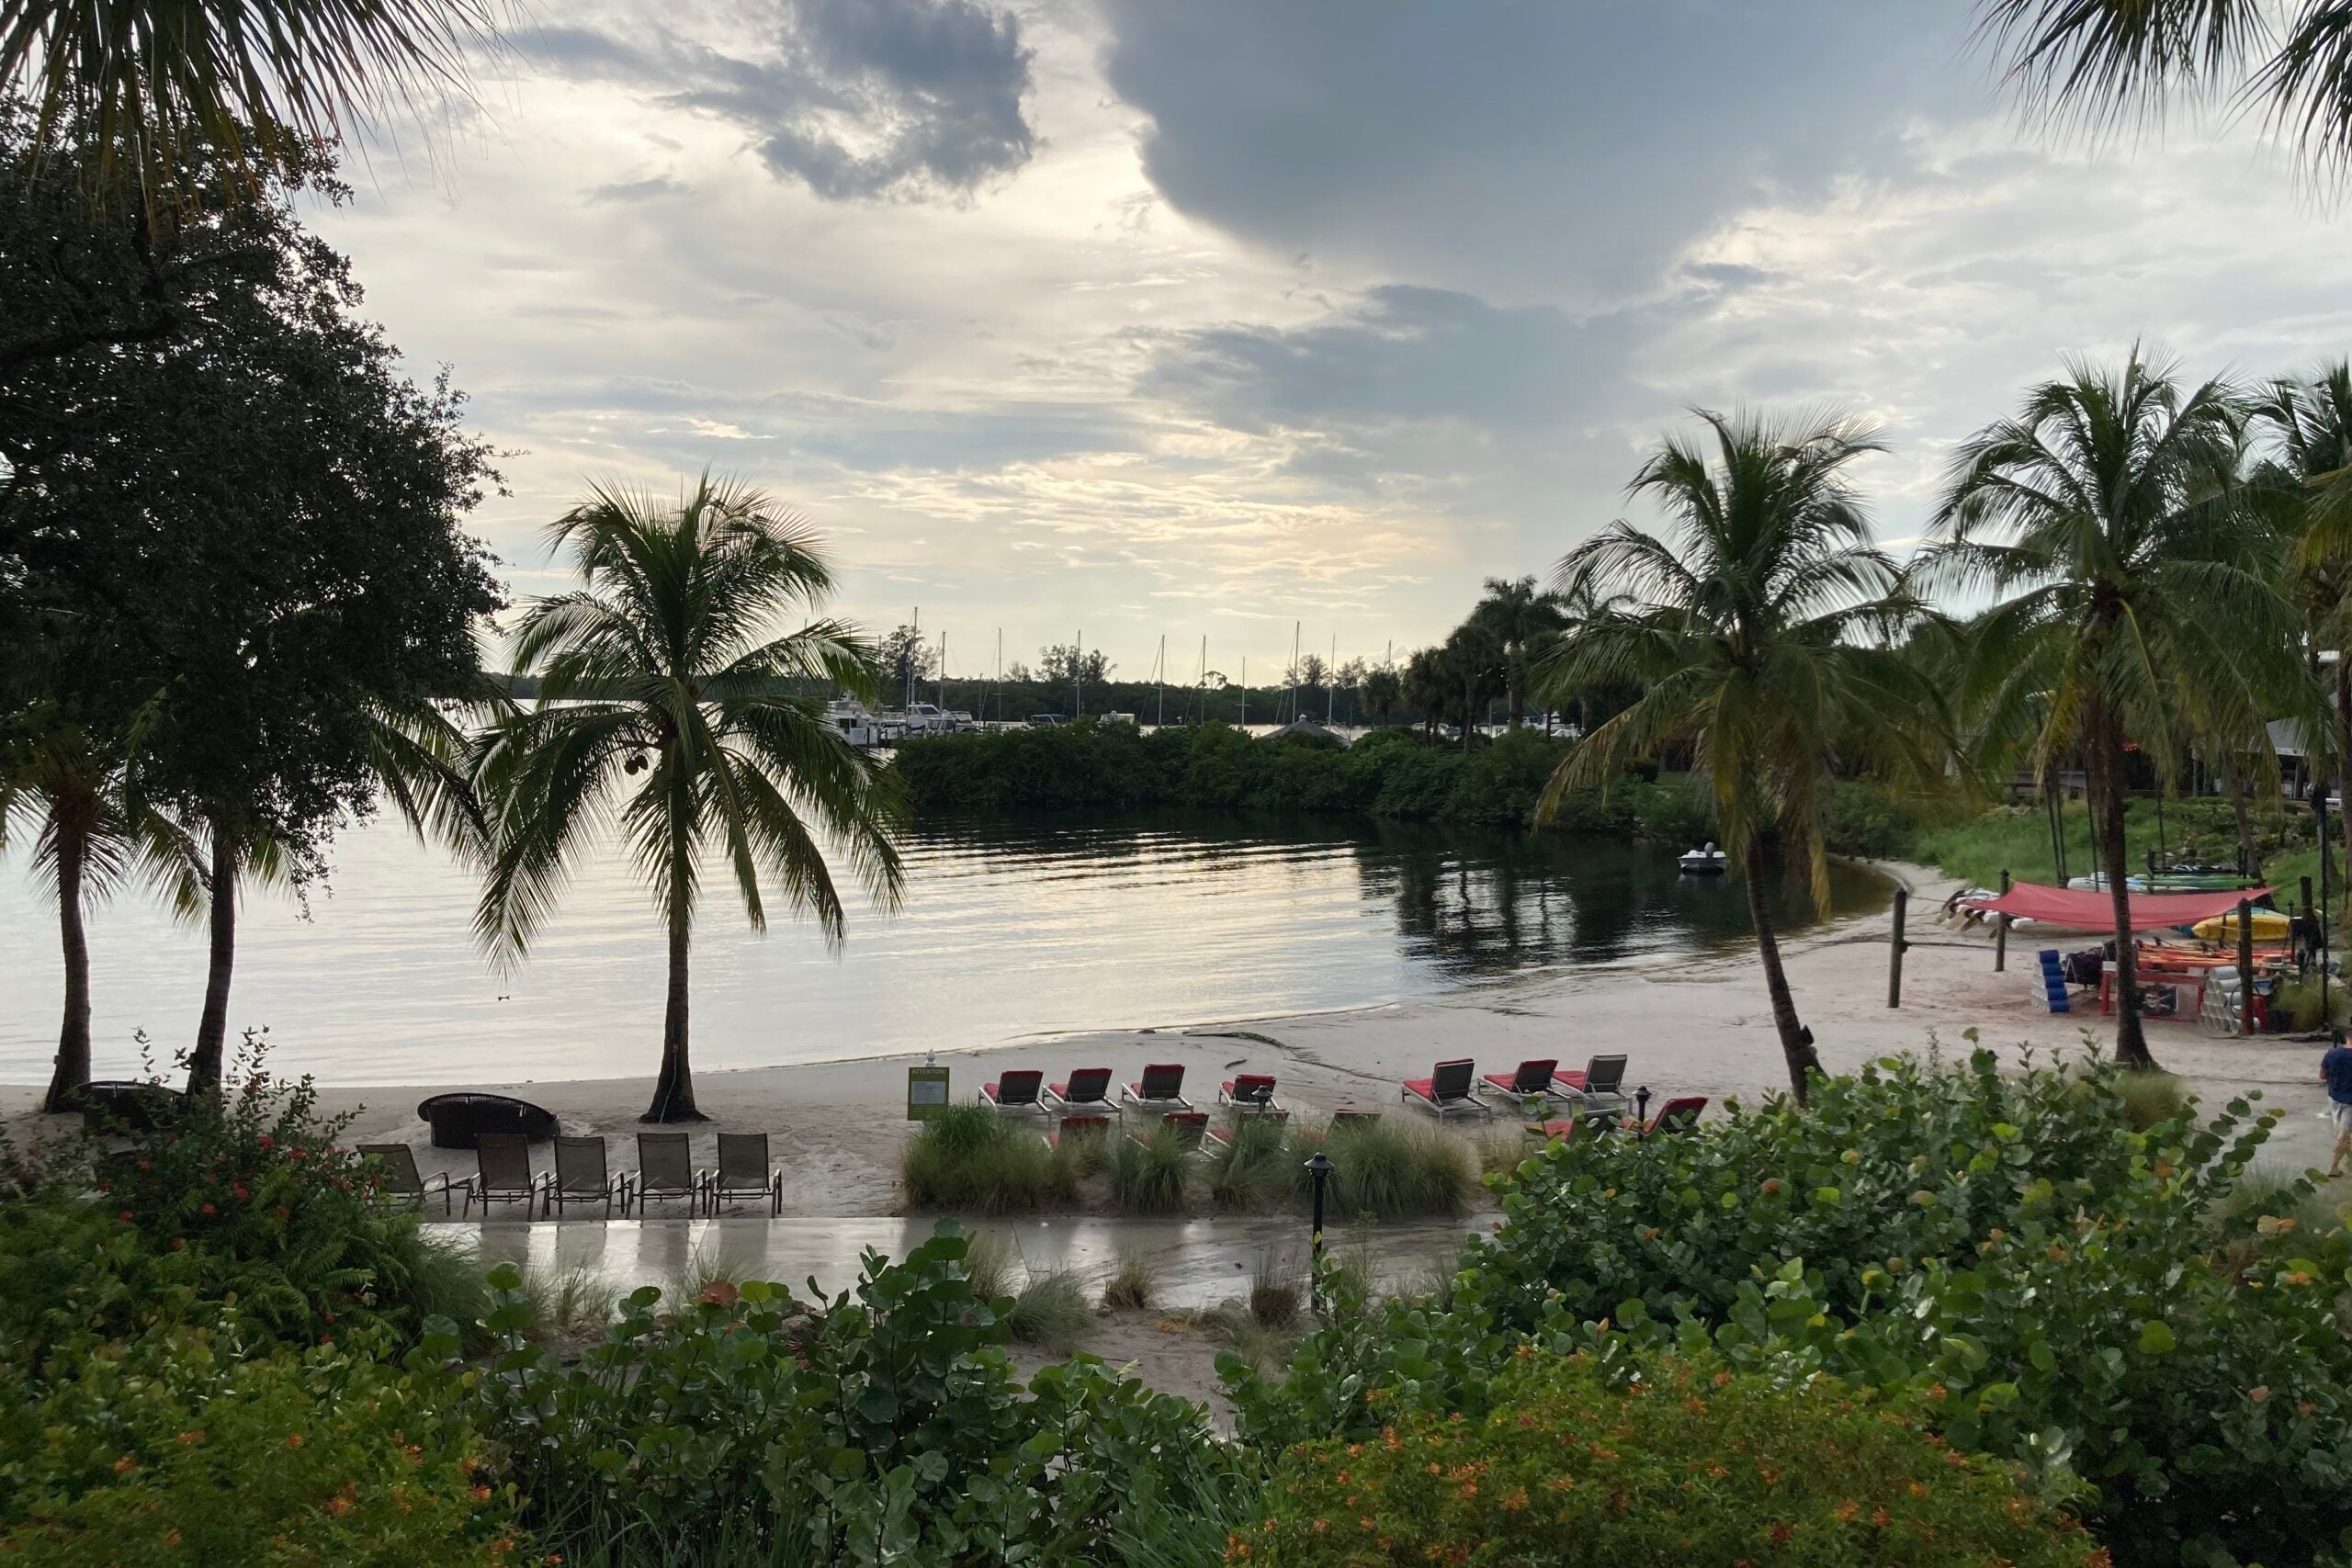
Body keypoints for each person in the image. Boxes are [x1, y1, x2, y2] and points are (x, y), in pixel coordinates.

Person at [2324, 1031, 2352, 1179]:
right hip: (2349, 1103)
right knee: (2345, 1137)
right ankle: (2334, 1167)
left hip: (2334, 1099)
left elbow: (2323, 1075)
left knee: (2345, 1134)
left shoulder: (2332, 1054)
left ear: (2347, 1038)